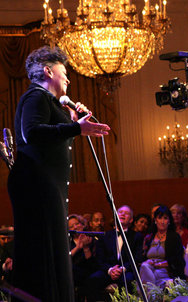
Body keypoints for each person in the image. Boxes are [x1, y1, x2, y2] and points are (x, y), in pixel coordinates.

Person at [7, 46, 110, 301]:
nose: (68, 78)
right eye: (64, 72)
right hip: (36, 186)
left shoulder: (47, 101)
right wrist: (75, 127)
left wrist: (73, 119)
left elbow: (49, 133)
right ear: (47, 71)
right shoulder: (36, 97)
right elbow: (32, 132)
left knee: (52, 251)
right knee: (44, 252)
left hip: (42, 185)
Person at [84, 205, 144, 301]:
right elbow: (100, 258)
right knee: (92, 280)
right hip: (108, 270)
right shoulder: (105, 236)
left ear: (131, 220)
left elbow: (137, 258)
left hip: (126, 271)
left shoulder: (136, 236)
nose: (123, 214)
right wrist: (110, 269)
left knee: (128, 281)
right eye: (120, 212)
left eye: (127, 213)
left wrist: (122, 269)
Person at [140, 206, 185, 288]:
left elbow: (178, 261)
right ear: (155, 220)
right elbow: (141, 258)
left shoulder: (174, 237)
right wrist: (148, 262)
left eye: (165, 218)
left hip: (165, 270)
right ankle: (152, 295)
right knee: (144, 266)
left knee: (149, 274)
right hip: (149, 268)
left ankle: (149, 298)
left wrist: (160, 264)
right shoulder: (149, 237)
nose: (162, 221)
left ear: (169, 221)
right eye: (160, 218)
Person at [68, 214, 97, 300]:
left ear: (83, 224)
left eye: (77, 224)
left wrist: (86, 248)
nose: (75, 227)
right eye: (71, 226)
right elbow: (65, 259)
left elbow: (91, 263)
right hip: (72, 272)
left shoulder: (91, 239)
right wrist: (77, 248)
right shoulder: (67, 241)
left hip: (88, 270)